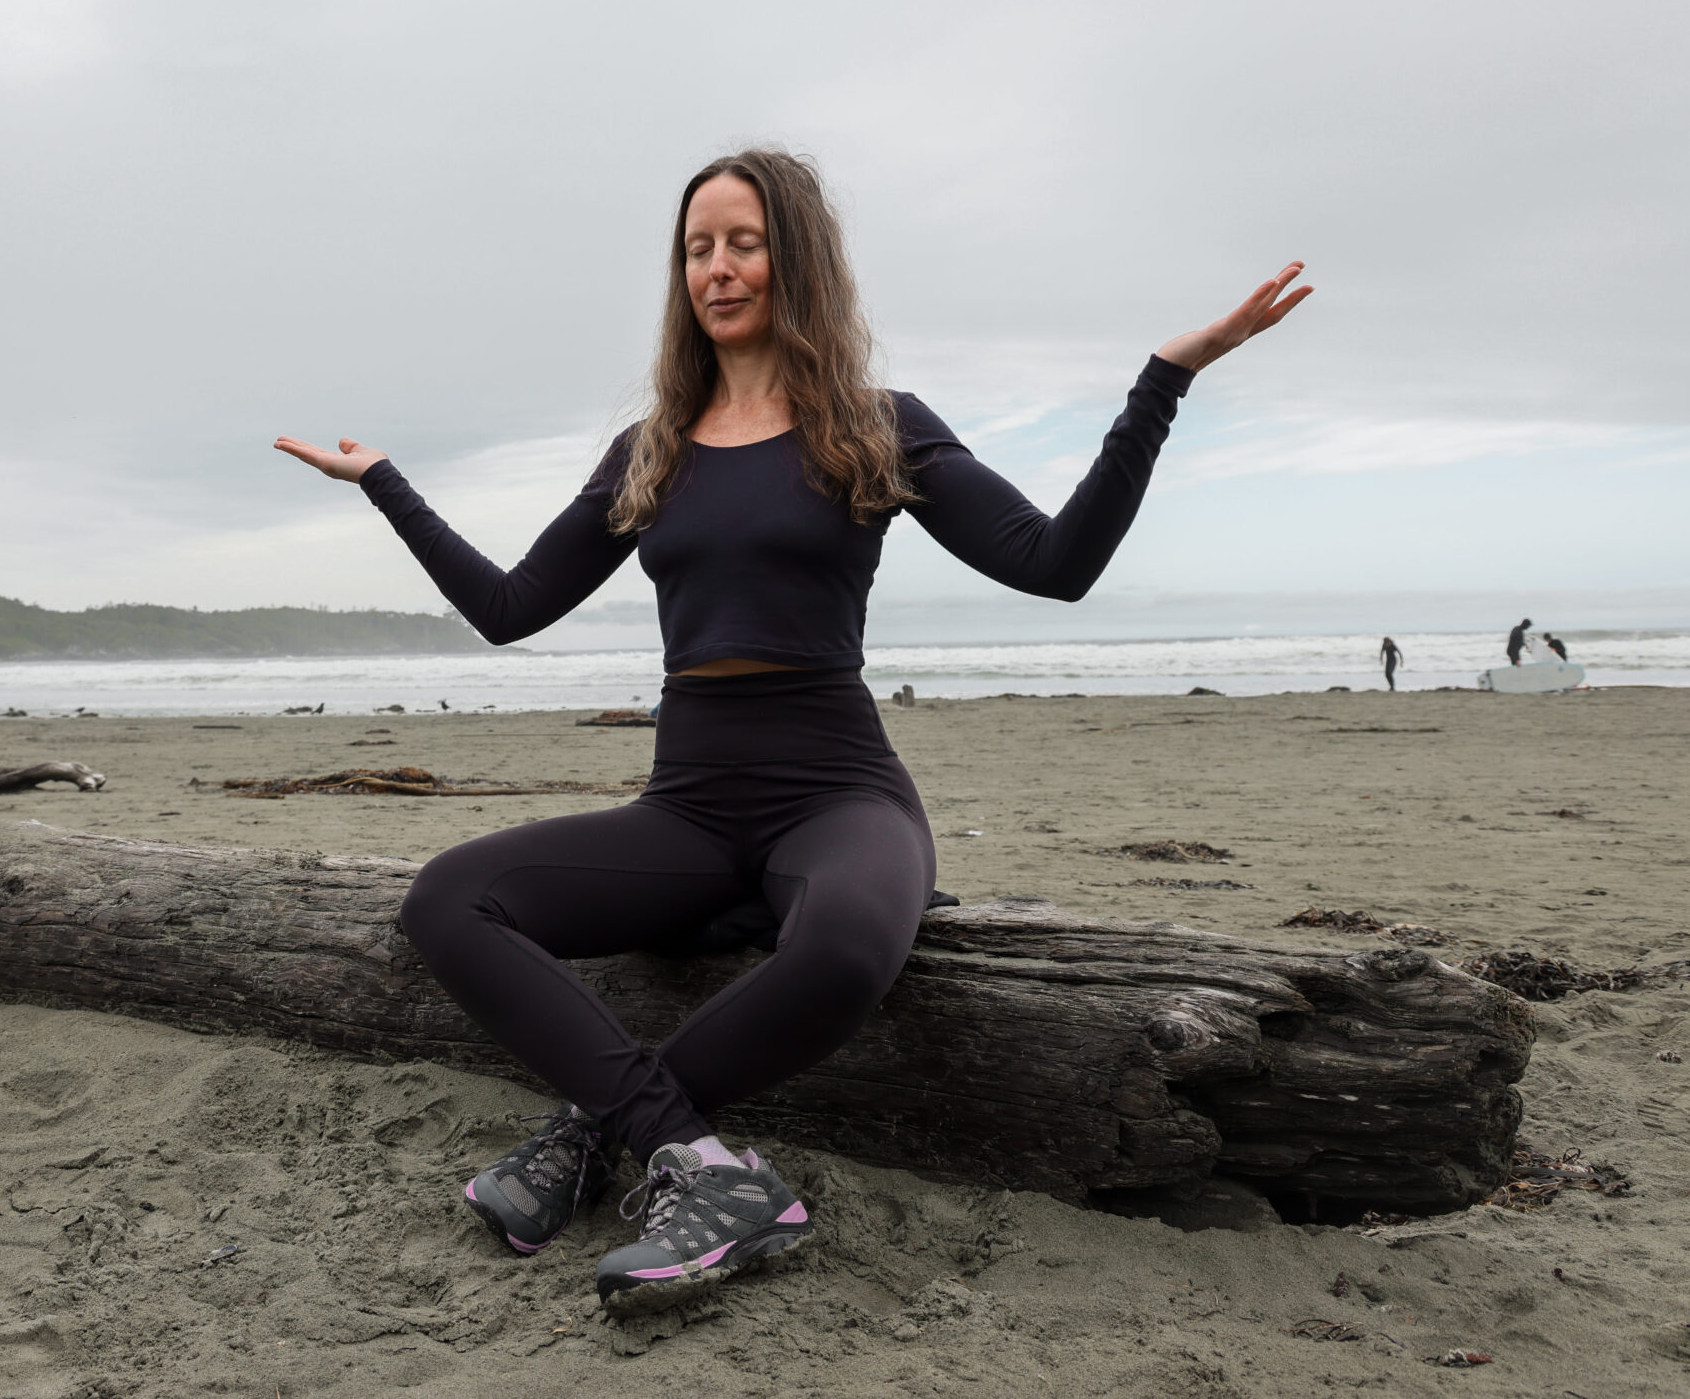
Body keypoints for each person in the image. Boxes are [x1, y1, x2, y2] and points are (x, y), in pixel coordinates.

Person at [273, 150, 1310, 1315]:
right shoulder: (651, 448)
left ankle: (594, 1133)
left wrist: (1163, 379)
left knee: (845, 949)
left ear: (795, 257)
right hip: (690, 804)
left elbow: (1053, 566)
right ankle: (705, 1167)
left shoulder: (874, 426)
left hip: (840, 792)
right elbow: (512, 610)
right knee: (447, 898)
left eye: (744, 242)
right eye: (697, 247)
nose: (717, 268)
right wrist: (384, 483)